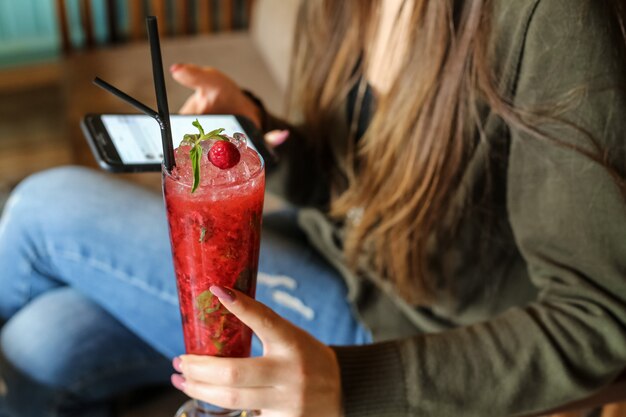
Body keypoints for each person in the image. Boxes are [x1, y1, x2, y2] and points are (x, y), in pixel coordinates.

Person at [1, 0, 625, 416]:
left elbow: (601, 317)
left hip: (406, 334)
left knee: (42, 205)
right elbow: (352, 180)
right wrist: (261, 132)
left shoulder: (551, 18)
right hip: (331, 250)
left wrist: (348, 382)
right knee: (44, 342)